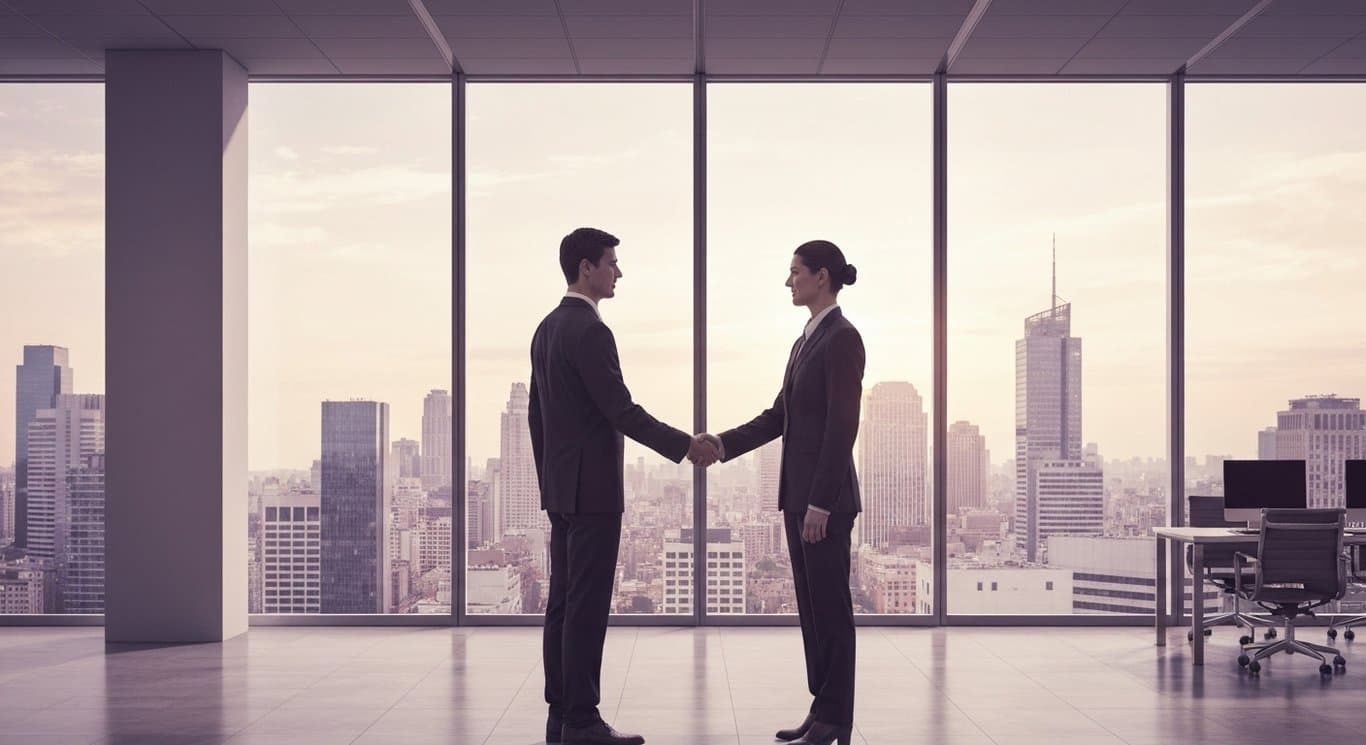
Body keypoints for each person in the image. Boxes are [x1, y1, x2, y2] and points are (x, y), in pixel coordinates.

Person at [529, 227, 718, 745]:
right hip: (593, 494)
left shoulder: (545, 330)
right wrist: (686, 445)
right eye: (612, 262)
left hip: (562, 493)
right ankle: (583, 721)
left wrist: (551, 483)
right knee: (586, 608)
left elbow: (536, 419)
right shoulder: (592, 332)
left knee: (562, 604)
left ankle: (560, 714)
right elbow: (621, 411)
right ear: (586, 267)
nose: (618, 272)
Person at [699, 240, 863, 745]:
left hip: (823, 502)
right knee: (812, 609)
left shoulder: (842, 338)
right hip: (798, 498)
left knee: (831, 610)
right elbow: (779, 417)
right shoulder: (805, 341)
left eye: (794, 272)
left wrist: (819, 501)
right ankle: (822, 706)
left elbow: (842, 426)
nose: (788, 281)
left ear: (821, 276)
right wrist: (722, 444)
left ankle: (838, 717)